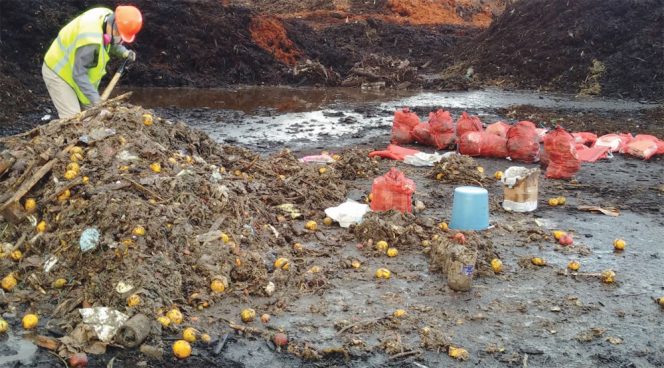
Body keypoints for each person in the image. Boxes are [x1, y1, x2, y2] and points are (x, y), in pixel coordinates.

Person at [42, 6, 142, 118]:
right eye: (120, 36)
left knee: (93, 118)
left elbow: (109, 40)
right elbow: (79, 75)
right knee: (72, 122)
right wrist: (97, 102)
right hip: (59, 73)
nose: (121, 41)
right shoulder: (90, 40)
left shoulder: (106, 17)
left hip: (78, 72)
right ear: (113, 24)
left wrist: (124, 52)